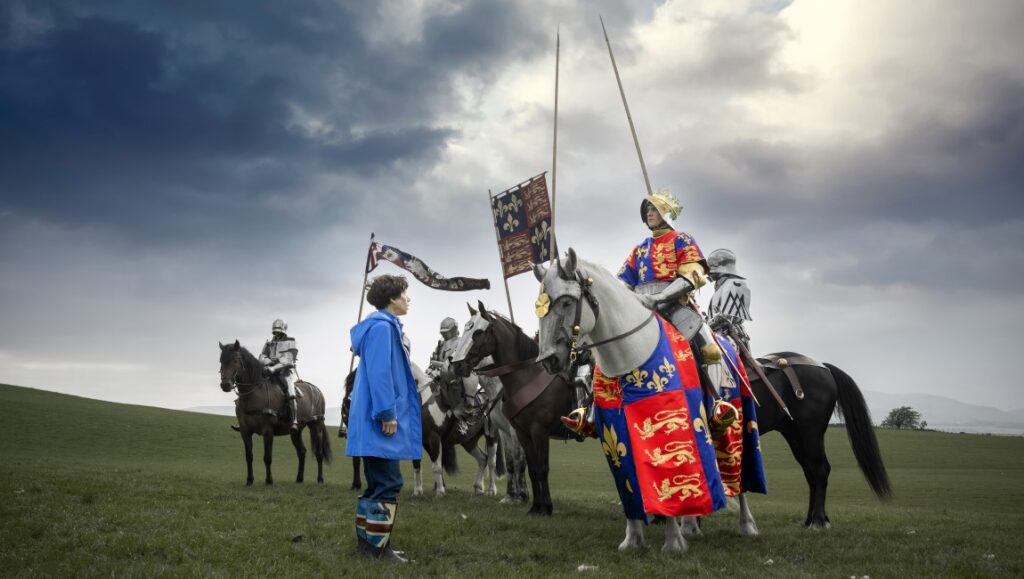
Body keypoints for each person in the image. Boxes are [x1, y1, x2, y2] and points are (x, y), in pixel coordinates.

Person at [347, 274, 422, 563]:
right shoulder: (382, 329)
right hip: (379, 419)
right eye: (405, 294)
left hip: (372, 419)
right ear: (392, 299)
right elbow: (381, 375)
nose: (408, 299)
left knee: (376, 484)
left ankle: (369, 547)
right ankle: (378, 550)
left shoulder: (382, 327)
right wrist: (387, 413)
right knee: (389, 483)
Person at [706, 248, 752, 351]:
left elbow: (726, 316)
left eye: (712, 267)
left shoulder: (735, 283)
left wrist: (705, 326)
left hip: (728, 336)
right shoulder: (722, 286)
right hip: (716, 334)